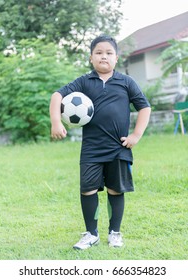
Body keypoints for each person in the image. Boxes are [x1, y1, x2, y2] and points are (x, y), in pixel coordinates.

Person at [50, 34, 151, 250]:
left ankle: (115, 233)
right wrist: (56, 121)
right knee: (87, 190)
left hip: (118, 148)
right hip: (91, 149)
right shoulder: (85, 82)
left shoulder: (126, 82)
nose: (103, 56)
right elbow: (57, 95)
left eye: (108, 53)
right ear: (91, 58)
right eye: (98, 53)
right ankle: (91, 233)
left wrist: (135, 136)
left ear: (116, 58)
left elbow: (145, 107)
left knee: (116, 190)